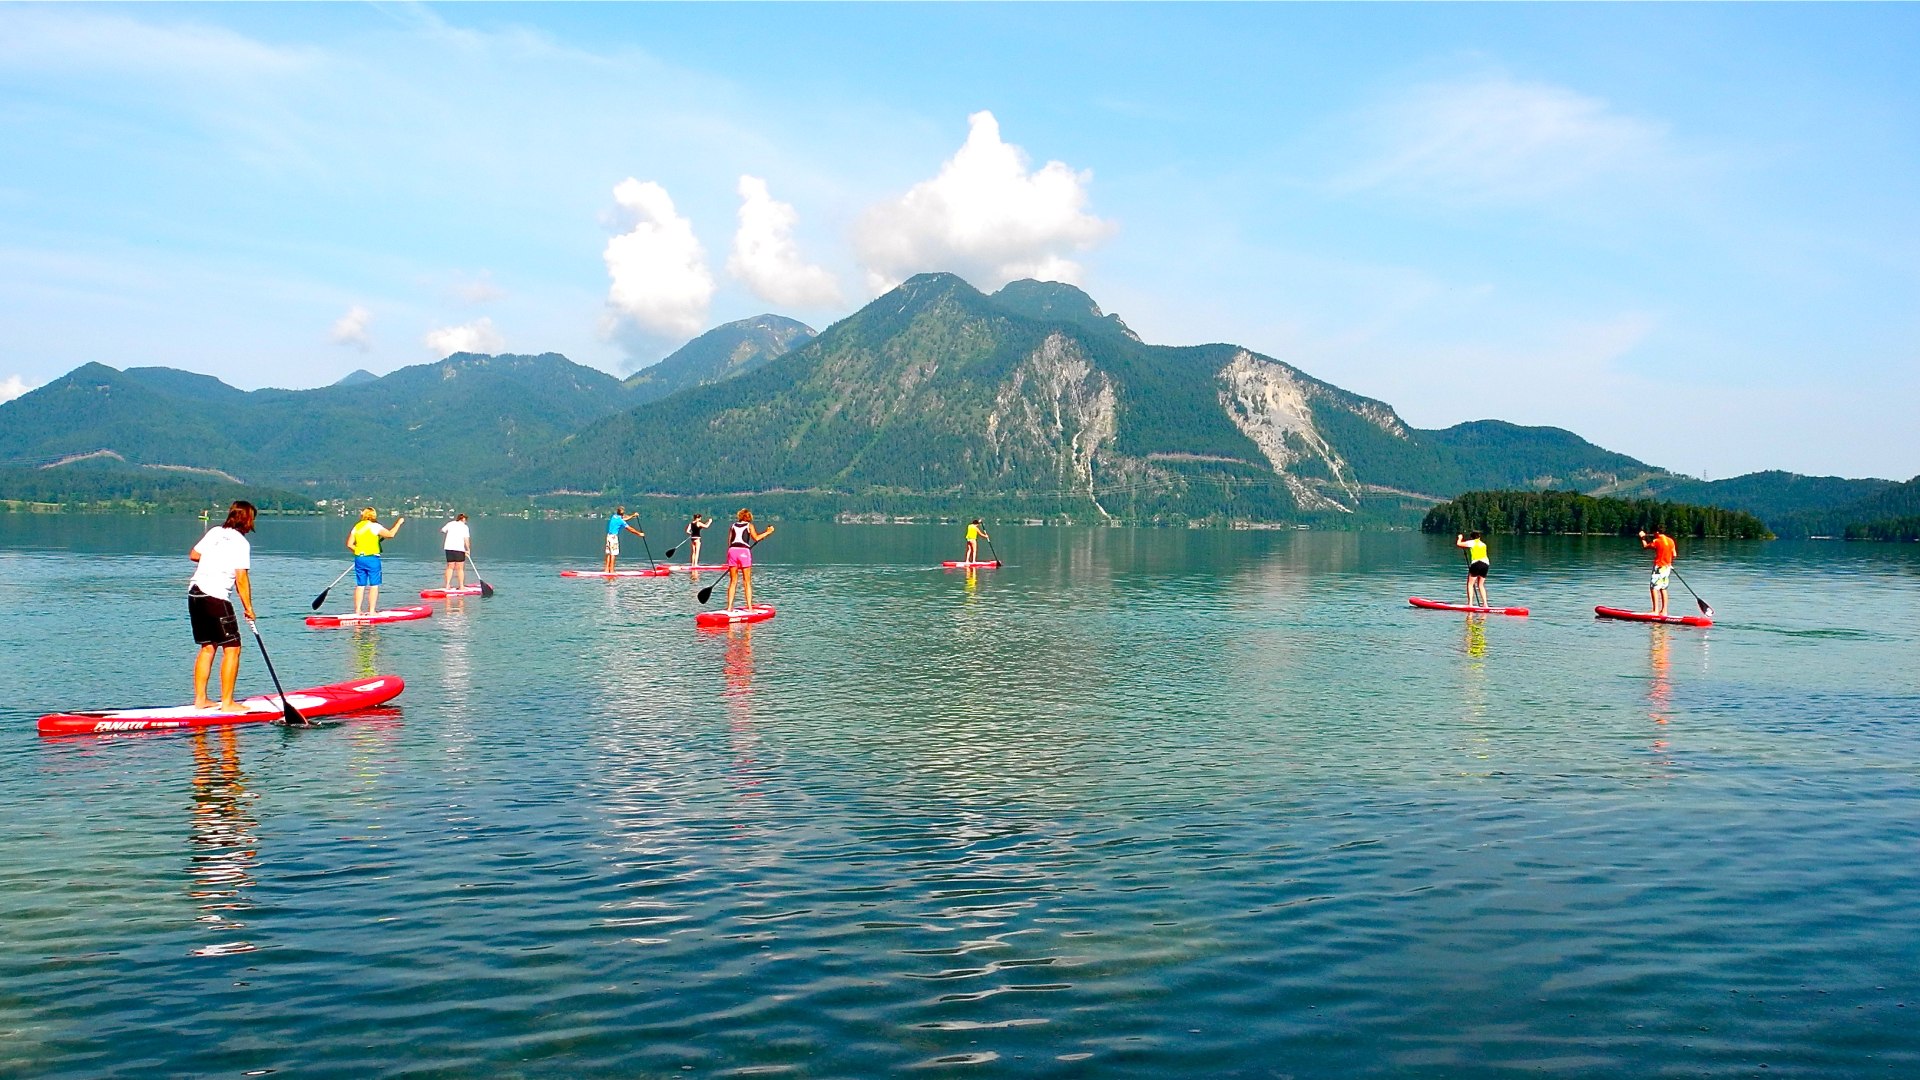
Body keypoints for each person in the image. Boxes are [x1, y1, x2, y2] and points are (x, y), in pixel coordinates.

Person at [189, 500, 258, 711]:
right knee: (232, 648)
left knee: (208, 647)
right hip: (216, 597)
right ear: (246, 519)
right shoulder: (241, 543)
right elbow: (241, 579)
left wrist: (215, 557)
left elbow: (194, 555)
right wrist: (249, 608)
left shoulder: (215, 532)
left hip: (195, 593)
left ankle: (200, 700)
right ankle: (227, 703)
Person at [347, 507, 404, 616]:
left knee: (360, 585)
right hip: (372, 559)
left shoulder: (357, 527)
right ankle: (372, 611)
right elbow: (391, 534)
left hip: (359, 558)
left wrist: (360, 551)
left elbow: (350, 544)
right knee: (374, 585)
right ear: (373, 515)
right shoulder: (375, 526)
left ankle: (358, 610)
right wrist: (399, 523)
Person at [724, 508, 775, 611]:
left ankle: (729, 607)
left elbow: (730, 542)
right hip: (743, 552)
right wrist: (768, 532)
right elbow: (756, 538)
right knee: (747, 581)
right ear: (748, 517)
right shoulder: (749, 526)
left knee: (733, 581)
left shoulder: (732, 526)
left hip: (732, 551)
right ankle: (750, 608)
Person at [1639, 526, 1678, 616]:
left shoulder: (1657, 541)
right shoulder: (1671, 540)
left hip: (1659, 567)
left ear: (1657, 532)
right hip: (1667, 567)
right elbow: (1674, 554)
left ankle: (1655, 611)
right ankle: (1664, 611)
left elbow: (1645, 546)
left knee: (1653, 588)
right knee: (1663, 588)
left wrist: (1642, 537)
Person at [1455, 531, 1491, 609]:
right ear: (1479, 537)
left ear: (1472, 537)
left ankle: (1470, 604)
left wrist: (1460, 538)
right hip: (1486, 564)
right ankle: (1485, 604)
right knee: (1481, 585)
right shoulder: (1483, 544)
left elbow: (1459, 544)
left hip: (1476, 563)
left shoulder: (1472, 543)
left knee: (1470, 584)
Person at [604, 507, 645, 573]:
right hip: (614, 537)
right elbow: (630, 529)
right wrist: (639, 534)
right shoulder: (621, 521)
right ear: (622, 514)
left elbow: (624, 519)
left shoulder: (614, 516)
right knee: (613, 554)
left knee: (608, 553)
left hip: (608, 536)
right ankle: (611, 571)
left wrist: (633, 516)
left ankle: (606, 570)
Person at [441, 513, 472, 590]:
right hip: (459, 549)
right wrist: (468, 550)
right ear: (464, 519)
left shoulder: (450, 523)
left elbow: (442, 530)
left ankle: (447, 585)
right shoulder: (465, 527)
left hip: (448, 548)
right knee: (460, 568)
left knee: (450, 567)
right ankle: (461, 586)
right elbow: (466, 540)